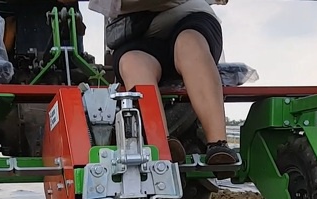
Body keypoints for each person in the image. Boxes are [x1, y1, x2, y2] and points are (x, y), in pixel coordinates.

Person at [91, 0, 238, 165]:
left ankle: (218, 144)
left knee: (190, 44)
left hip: (191, 19)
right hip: (139, 34)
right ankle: (161, 143)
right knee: (133, 63)